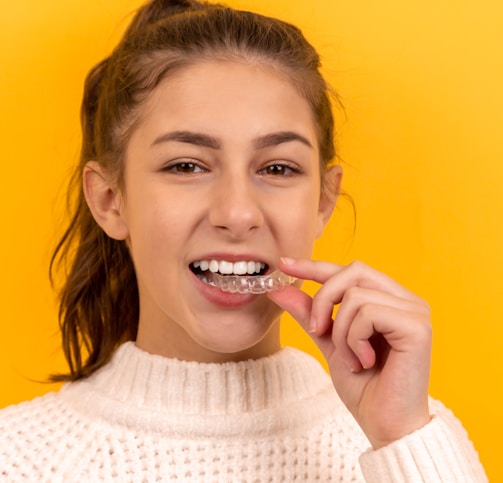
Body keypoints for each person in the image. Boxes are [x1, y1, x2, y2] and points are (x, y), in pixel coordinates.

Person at [0, 0, 487, 481]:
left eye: (277, 168)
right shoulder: (19, 460)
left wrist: (403, 439)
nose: (237, 214)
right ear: (109, 200)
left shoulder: (416, 443)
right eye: (186, 166)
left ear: (323, 201)